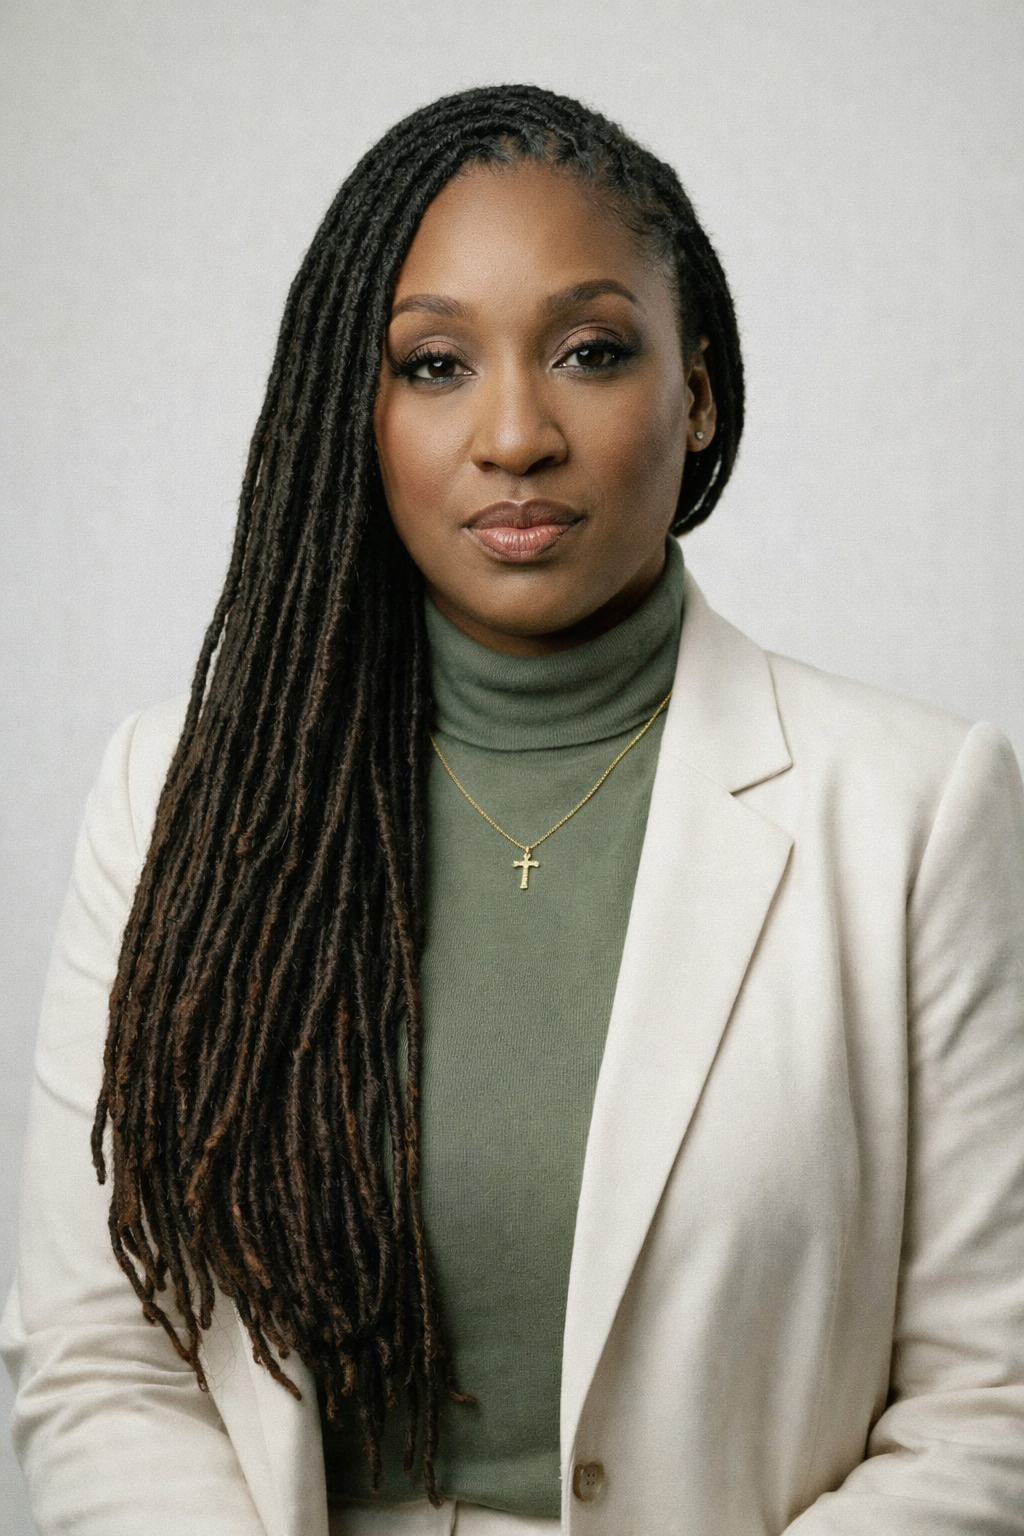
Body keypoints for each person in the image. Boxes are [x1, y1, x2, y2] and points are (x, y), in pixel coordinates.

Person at [3, 82, 1024, 1536]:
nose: (514, 434)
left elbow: (991, 1399)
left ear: (699, 393)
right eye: (433, 364)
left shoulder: (920, 811)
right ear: (355, 411)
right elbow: (105, 1359)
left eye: (590, 352)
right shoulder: (177, 801)